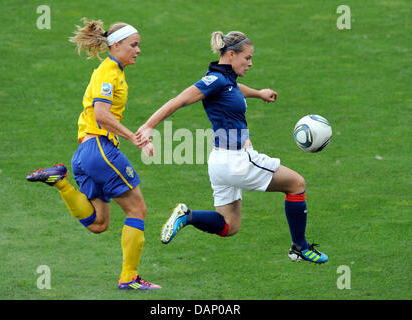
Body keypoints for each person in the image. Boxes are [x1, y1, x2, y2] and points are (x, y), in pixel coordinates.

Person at [136, 30, 328, 264]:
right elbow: (180, 100)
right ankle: (299, 247)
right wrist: (148, 127)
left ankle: (187, 216)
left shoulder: (224, 78)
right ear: (230, 54)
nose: (250, 63)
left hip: (219, 162)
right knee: (296, 184)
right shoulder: (215, 81)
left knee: (229, 226)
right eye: (247, 58)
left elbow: (235, 89)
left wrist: (259, 93)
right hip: (237, 161)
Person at [26, 18, 161, 290]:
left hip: (84, 154)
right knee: (138, 209)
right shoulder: (108, 72)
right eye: (133, 45)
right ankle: (129, 278)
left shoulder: (114, 71)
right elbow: (101, 114)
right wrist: (134, 137)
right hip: (100, 149)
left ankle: (61, 181)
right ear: (116, 45)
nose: (138, 50)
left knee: (98, 223)